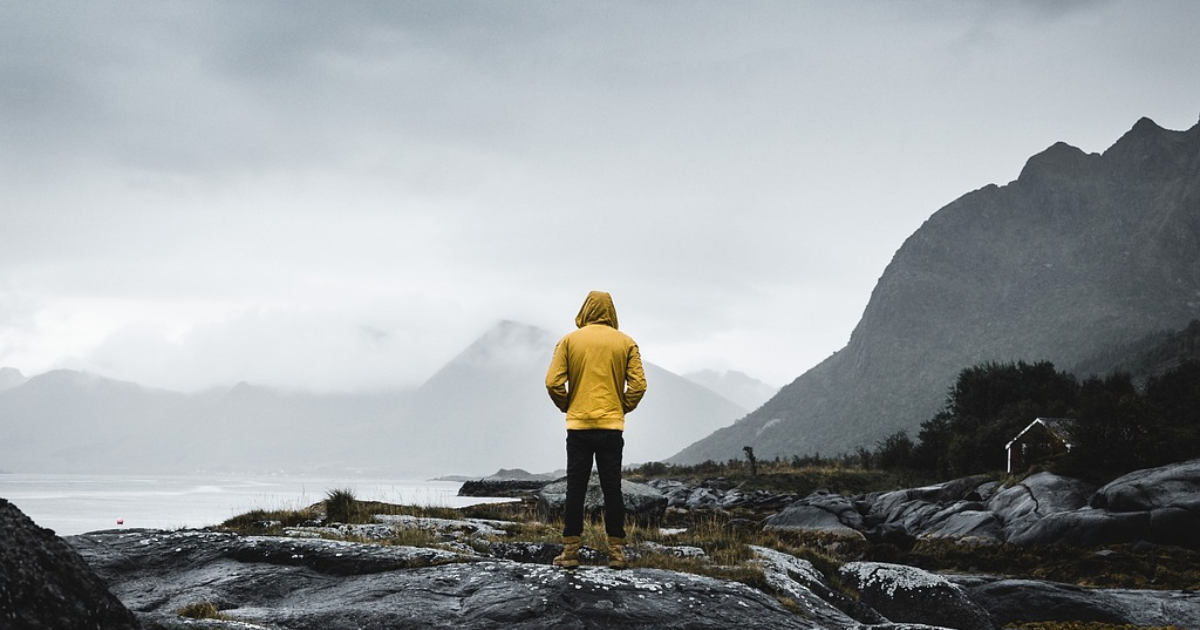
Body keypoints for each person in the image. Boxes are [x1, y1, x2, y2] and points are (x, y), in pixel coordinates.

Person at [545, 291, 647, 569]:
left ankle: (570, 553)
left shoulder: (568, 341)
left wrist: (568, 406)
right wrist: (621, 407)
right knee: (612, 488)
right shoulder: (626, 342)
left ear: (585, 310)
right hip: (611, 427)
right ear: (611, 311)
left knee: (575, 488)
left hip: (578, 426)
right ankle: (616, 554)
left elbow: (553, 383)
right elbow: (638, 386)